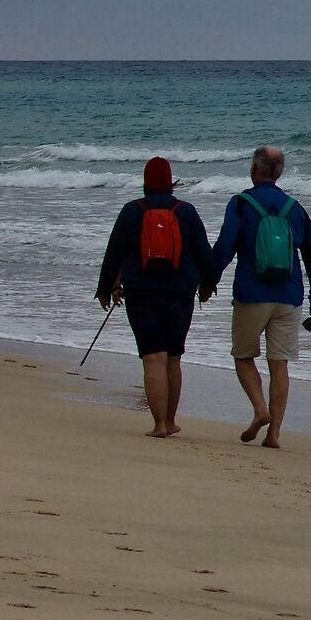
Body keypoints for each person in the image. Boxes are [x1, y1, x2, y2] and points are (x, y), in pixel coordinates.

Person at [207, 145, 311, 449]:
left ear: (253, 169)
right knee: (280, 364)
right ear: (279, 173)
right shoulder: (294, 207)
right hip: (289, 296)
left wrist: (207, 280)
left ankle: (260, 409)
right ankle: (274, 433)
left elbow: (225, 246)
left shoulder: (241, 204)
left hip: (251, 294)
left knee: (243, 355)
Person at [94, 156, 216, 438]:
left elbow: (113, 253)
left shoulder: (131, 211)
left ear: (146, 182)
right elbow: (204, 254)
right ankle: (171, 421)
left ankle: (159, 424)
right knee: (173, 358)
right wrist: (208, 284)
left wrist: (104, 289)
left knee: (153, 358)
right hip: (180, 293)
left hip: (141, 293)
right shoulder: (186, 211)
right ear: (170, 182)